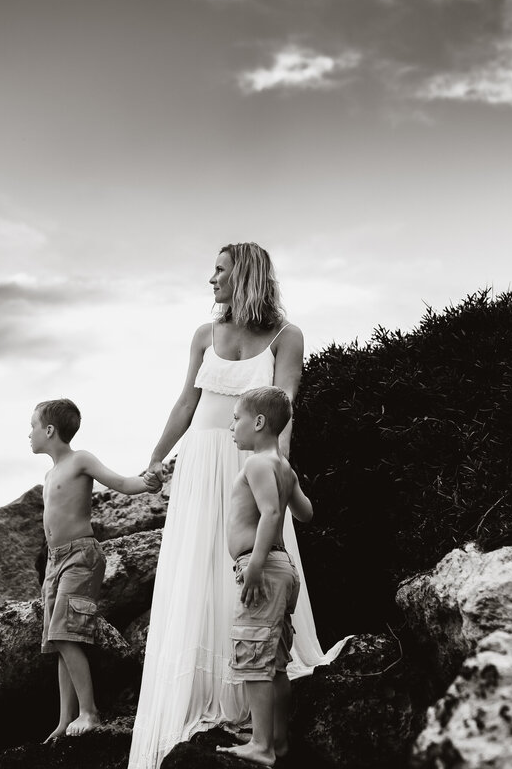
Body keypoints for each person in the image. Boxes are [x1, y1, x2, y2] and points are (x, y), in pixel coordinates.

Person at [128, 243, 348, 769]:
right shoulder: (204, 334)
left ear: (245, 276)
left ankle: (257, 703)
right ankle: (209, 691)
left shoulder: (286, 336)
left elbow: (284, 408)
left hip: (249, 466)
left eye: (220, 271)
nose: (211, 280)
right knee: (197, 568)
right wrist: (158, 459)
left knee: (253, 568)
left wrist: (278, 468)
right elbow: (187, 401)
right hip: (201, 462)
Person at [30, 398, 162, 742]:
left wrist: (148, 482)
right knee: (60, 642)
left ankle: (89, 712)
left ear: (49, 430)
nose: (28, 434)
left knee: (65, 633)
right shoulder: (49, 473)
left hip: (80, 557)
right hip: (54, 560)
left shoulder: (80, 460)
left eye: (32, 427)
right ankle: (64, 721)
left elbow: (120, 483)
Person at [215, 386, 312, 766]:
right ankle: (279, 740)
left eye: (236, 418)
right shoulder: (282, 466)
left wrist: (253, 566)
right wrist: (289, 487)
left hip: (264, 568)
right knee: (274, 663)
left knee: (254, 658)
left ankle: (261, 745)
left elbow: (272, 515)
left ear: (258, 422)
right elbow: (305, 513)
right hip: (283, 570)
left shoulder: (255, 464)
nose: (231, 426)